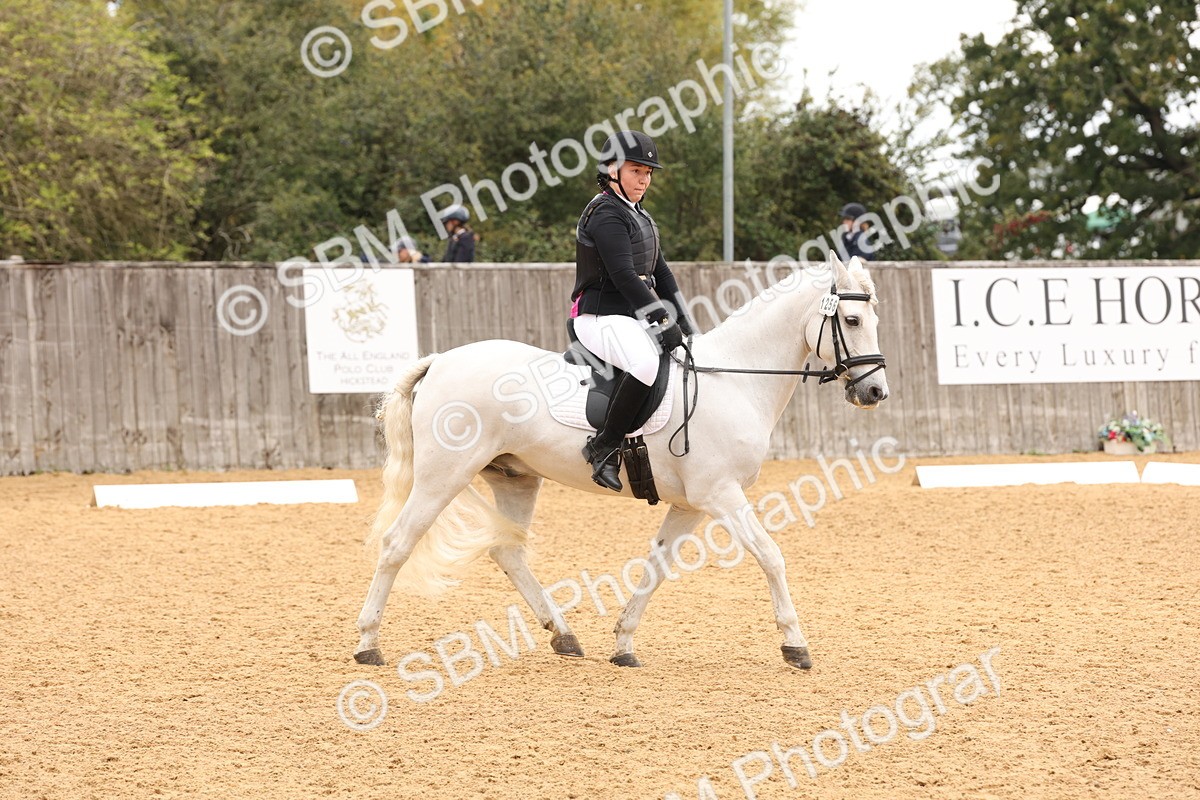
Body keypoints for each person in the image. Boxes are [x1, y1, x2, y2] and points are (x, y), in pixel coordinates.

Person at [571, 130, 696, 492]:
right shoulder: (605, 213)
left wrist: (686, 321)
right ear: (612, 170)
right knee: (644, 363)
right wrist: (660, 317)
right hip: (598, 317)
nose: (644, 180)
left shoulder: (641, 215)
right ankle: (604, 446)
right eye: (636, 171)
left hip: (629, 317)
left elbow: (662, 272)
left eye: (648, 173)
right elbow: (624, 275)